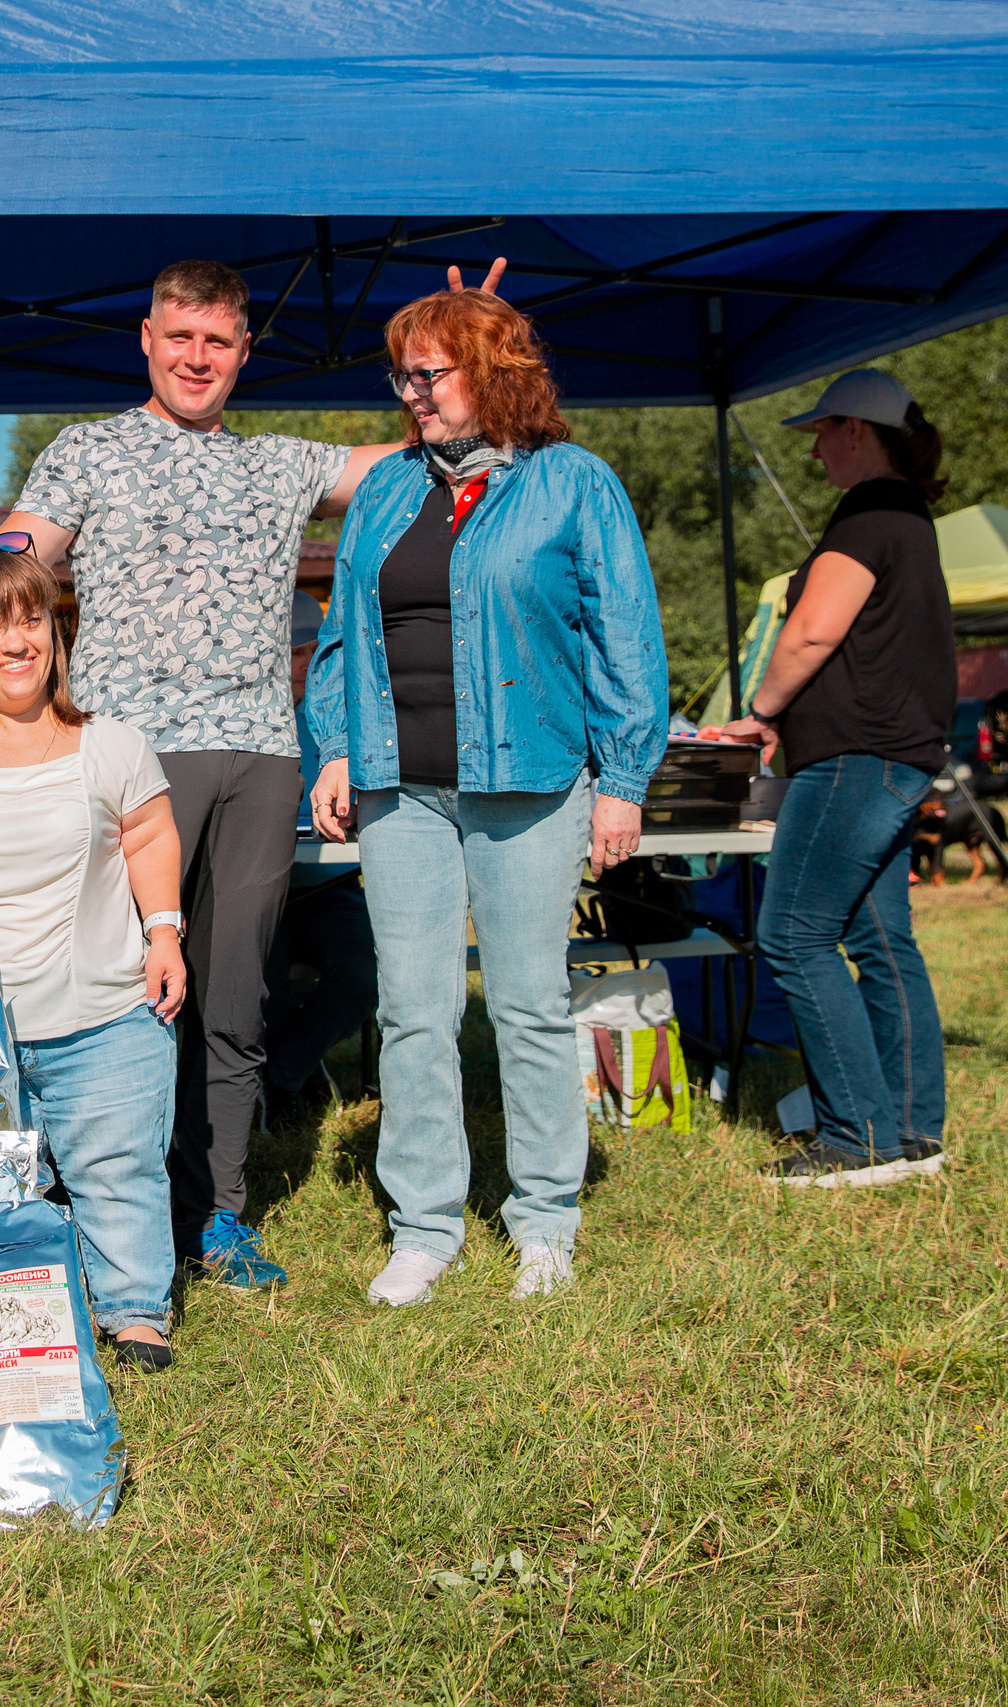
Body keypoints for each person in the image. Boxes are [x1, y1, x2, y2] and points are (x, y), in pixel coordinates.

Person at [0, 254, 505, 1293]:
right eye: (180, 337)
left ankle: (217, 1215)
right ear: (147, 341)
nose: (197, 357)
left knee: (233, 998)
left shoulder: (281, 464)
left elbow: (437, 443)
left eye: (217, 341)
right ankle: (96, 1208)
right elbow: (23, 550)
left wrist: (475, 352)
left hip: (259, 758)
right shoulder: (89, 450)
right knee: (117, 999)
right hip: (125, 759)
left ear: (244, 353)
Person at [308, 287, 666, 1306]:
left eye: (430, 374)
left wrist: (622, 780)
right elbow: (342, 632)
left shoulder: (573, 483)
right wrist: (335, 747)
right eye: (402, 376)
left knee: (527, 1004)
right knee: (411, 1012)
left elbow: (625, 633)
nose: (411, 394)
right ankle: (424, 1228)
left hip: (533, 780)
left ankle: (544, 1220)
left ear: (493, 374)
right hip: (400, 791)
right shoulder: (387, 489)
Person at [0, 536, 189, 1368]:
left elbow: (150, 833)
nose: (15, 643)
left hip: (108, 1017)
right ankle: (7, 1316)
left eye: (30, 620)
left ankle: (134, 1311)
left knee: (118, 1168)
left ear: (55, 629)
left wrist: (164, 931)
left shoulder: (113, 745)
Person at [710, 369, 951, 1185]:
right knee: (881, 940)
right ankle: (913, 1132)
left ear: (856, 428)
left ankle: (857, 1137)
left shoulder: (868, 512)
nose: (814, 450)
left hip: (855, 759)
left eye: (821, 432)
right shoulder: (907, 515)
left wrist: (760, 711)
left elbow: (814, 629)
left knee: (793, 933)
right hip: (896, 755)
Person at [262, 596, 377, 1120]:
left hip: (332, 886)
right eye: (294, 652)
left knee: (363, 973)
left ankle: (284, 1075)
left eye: (315, 651)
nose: (305, 663)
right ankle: (292, 1079)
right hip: (266, 887)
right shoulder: (253, 718)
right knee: (263, 983)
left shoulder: (346, 720)